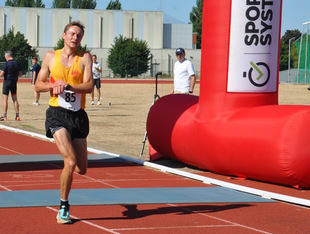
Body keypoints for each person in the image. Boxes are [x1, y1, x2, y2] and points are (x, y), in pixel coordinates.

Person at [35, 21, 93, 224]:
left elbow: (89, 87)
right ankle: (63, 207)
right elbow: (37, 85)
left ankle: (67, 174)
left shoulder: (85, 58)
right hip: (57, 114)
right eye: (71, 34)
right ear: (64, 35)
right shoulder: (51, 57)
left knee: (81, 168)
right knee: (69, 160)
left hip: (78, 115)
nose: (74, 38)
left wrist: (69, 86)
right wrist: (53, 86)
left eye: (78, 35)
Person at [0, 51, 22, 121]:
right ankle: (17, 115)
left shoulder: (6, 64)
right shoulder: (17, 63)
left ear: (7, 56)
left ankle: (5, 116)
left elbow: (2, 74)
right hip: (14, 82)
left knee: (5, 99)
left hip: (7, 82)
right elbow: (20, 74)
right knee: (15, 99)